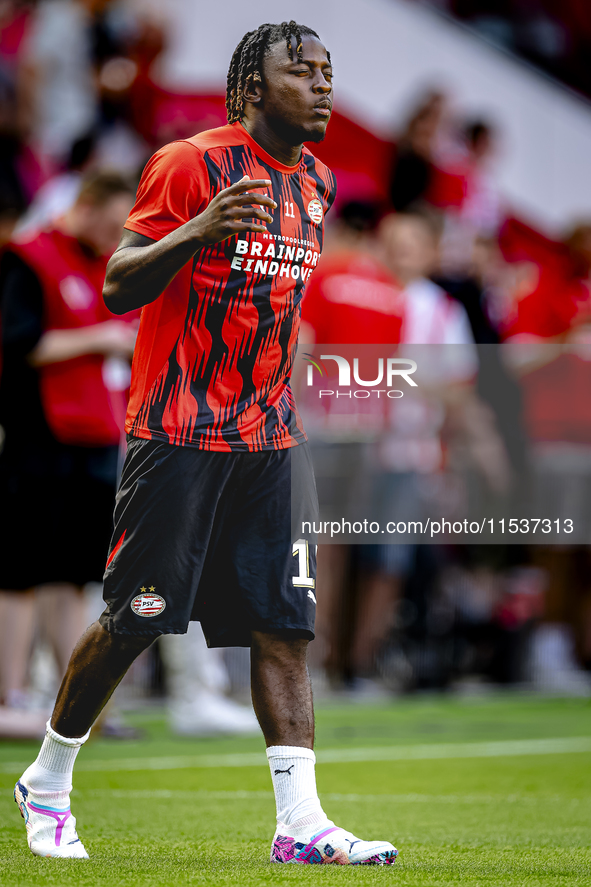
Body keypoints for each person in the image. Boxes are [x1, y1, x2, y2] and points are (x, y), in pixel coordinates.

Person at [14, 21, 398, 866]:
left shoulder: (320, 183)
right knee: (137, 615)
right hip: (178, 429)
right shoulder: (190, 163)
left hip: (269, 436)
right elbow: (119, 283)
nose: (322, 85)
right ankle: (46, 782)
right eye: (302, 71)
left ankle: (299, 822)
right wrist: (198, 231)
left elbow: (278, 304)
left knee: (284, 626)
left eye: (329, 71)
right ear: (253, 88)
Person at [0, 171, 136, 721]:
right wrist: (98, 339)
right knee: (18, 571)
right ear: (89, 204)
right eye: (115, 217)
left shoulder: (101, 264)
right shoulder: (29, 257)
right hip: (39, 437)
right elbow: (18, 342)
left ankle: (73, 705)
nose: (121, 232)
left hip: (95, 439)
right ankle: (9, 698)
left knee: (72, 576)